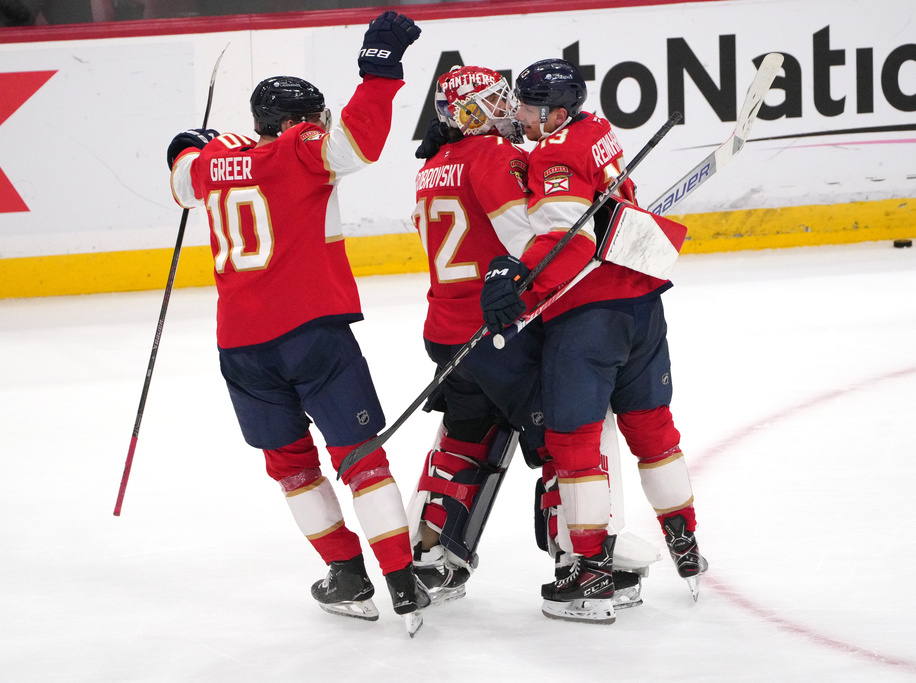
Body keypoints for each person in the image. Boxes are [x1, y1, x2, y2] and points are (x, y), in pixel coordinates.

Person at [166, 11, 430, 634]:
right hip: (313, 336)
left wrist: (189, 143)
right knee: (361, 458)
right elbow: (359, 143)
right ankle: (400, 579)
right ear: (291, 125)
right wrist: (379, 70)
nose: (321, 128)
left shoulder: (209, 168)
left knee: (292, 468)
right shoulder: (300, 151)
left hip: (242, 349)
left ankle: (345, 575)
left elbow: (180, 176)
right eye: (313, 120)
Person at [479, 58, 708, 625]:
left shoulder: (555, 153)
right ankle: (685, 542)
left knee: (573, 439)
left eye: (530, 107)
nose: (520, 115)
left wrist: (517, 287)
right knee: (652, 427)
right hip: (641, 304)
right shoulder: (594, 128)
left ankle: (591, 570)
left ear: (556, 112)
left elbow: (566, 242)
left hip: (590, 317)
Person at [406, 65, 545, 604]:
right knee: (559, 432)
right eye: (495, 103)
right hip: (495, 330)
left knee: (464, 436)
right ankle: (580, 557)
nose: (509, 110)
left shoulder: (432, 166)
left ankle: (430, 551)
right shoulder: (491, 155)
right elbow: (528, 242)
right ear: (469, 115)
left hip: (445, 330)